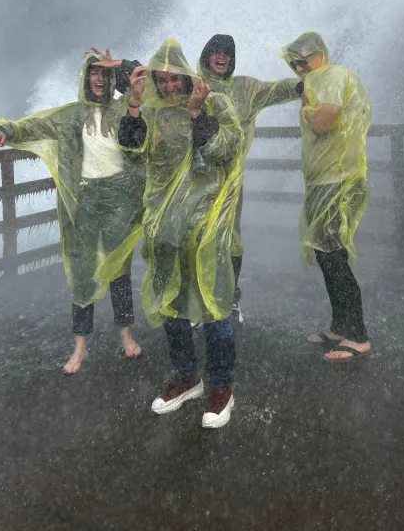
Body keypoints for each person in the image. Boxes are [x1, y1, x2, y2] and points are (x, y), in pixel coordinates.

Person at [0, 53, 145, 374]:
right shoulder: (72, 115)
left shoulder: (123, 107)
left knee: (119, 269)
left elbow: (147, 81)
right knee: (81, 269)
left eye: (104, 74)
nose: (99, 79)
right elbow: (33, 125)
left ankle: (126, 335)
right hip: (84, 198)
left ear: (111, 78)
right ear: (85, 78)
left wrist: (123, 66)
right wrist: (6, 129)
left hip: (118, 196)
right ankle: (80, 346)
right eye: (93, 73)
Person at [116, 39, 243, 429]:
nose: (170, 87)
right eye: (162, 80)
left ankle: (221, 388)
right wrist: (134, 102)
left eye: (176, 80)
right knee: (171, 304)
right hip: (165, 226)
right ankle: (187, 377)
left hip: (207, 226)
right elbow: (131, 149)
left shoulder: (215, 101)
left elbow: (227, 148)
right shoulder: (148, 112)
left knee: (215, 305)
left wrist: (197, 113)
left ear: (188, 76)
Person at [279, 31, 372, 363]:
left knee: (333, 256)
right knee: (325, 253)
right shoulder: (317, 80)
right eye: (295, 62)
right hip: (322, 182)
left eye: (304, 60)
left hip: (336, 180)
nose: (300, 67)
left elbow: (323, 121)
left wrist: (306, 109)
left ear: (319, 54)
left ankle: (358, 336)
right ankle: (339, 325)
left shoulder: (332, 75)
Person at [197, 34, 302, 323]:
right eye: (216, 51)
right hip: (196, 179)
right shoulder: (194, 85)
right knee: (197, 238)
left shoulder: (245, 88)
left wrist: (310, 80)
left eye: (228, 53)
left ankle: (230, 301)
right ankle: (199, 301)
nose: (222, 57)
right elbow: (158, 84)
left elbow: (278, 90)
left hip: (230, 181)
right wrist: (123, 70)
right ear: (207, 55)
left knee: (230, 239)